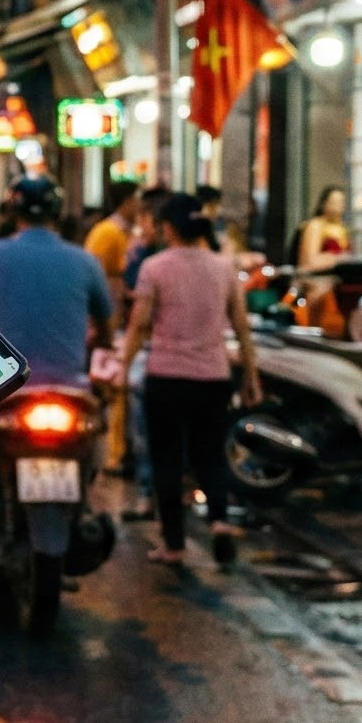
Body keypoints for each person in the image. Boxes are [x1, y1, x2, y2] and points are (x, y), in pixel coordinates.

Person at [121, 197, 263, 567]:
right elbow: (242, 327)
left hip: (166, 378)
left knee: (167, 459)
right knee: (211, 454)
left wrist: (122, 368)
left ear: (168, 228)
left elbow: (139, 325)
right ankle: (219, 520)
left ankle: (174, 544)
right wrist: (251, 376)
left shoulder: (155, 267)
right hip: (213, 377)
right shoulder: (223, 267)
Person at [0, 177, 114, 391]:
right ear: (57, 212)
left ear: (12, 212)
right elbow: (106, 331)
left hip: (1, 390)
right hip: (68, 387)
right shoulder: (86, 261)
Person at [294, 186, 353, 273]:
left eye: (341, 202)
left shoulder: (343, 228)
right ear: (323, 204)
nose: (339, 206)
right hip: (320, 278)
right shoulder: (315, 225)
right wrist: (338, 258)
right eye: (334, 202)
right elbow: (308, 262)